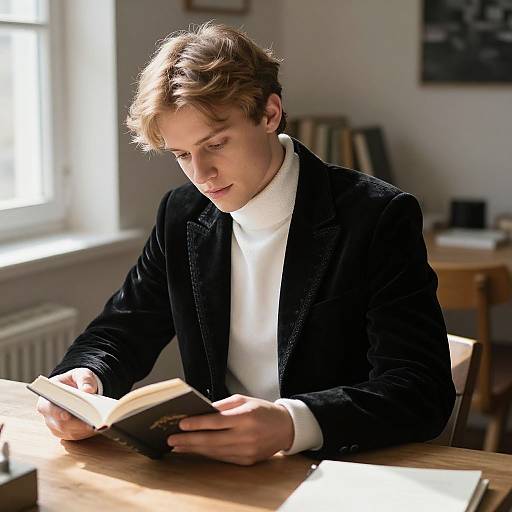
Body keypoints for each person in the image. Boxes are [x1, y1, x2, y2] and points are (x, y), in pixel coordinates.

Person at [36, 22, 455, 466]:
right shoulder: (180, 214)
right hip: (218, 473)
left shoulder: (376, 216)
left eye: (215, 144)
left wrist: (292, 423)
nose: (200, 174)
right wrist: (84, 379)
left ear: (270, 114)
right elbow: (120, 330)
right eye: (181, 154)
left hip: (338, 471)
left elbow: (420, 389)